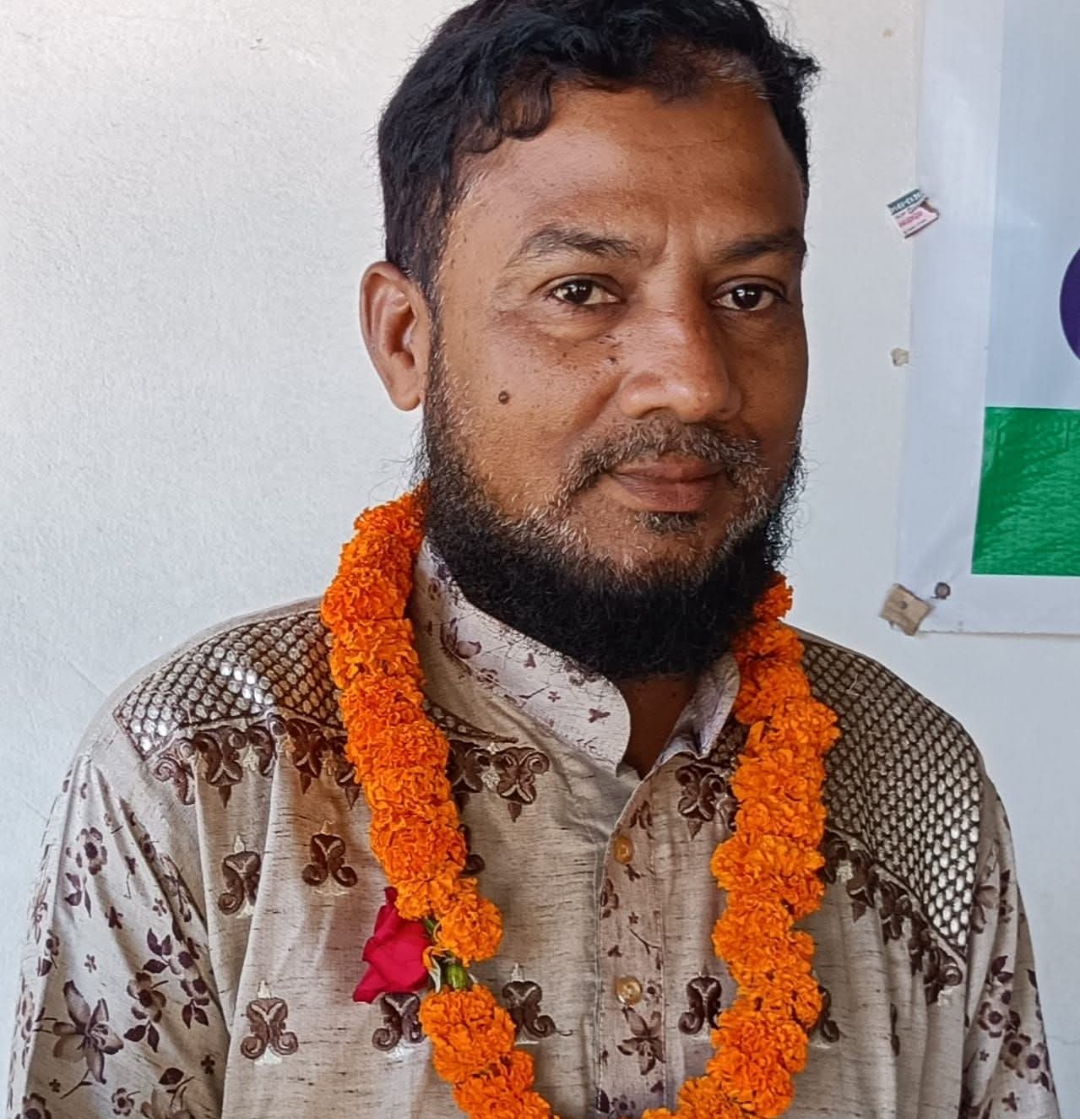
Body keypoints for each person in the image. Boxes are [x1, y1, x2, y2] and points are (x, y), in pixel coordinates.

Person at [7, 1, 1060, 1117]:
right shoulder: (201, 776)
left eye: (749, 294)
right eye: (581, 291)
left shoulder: (920, 790)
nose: (695, 381)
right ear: (407, 339)